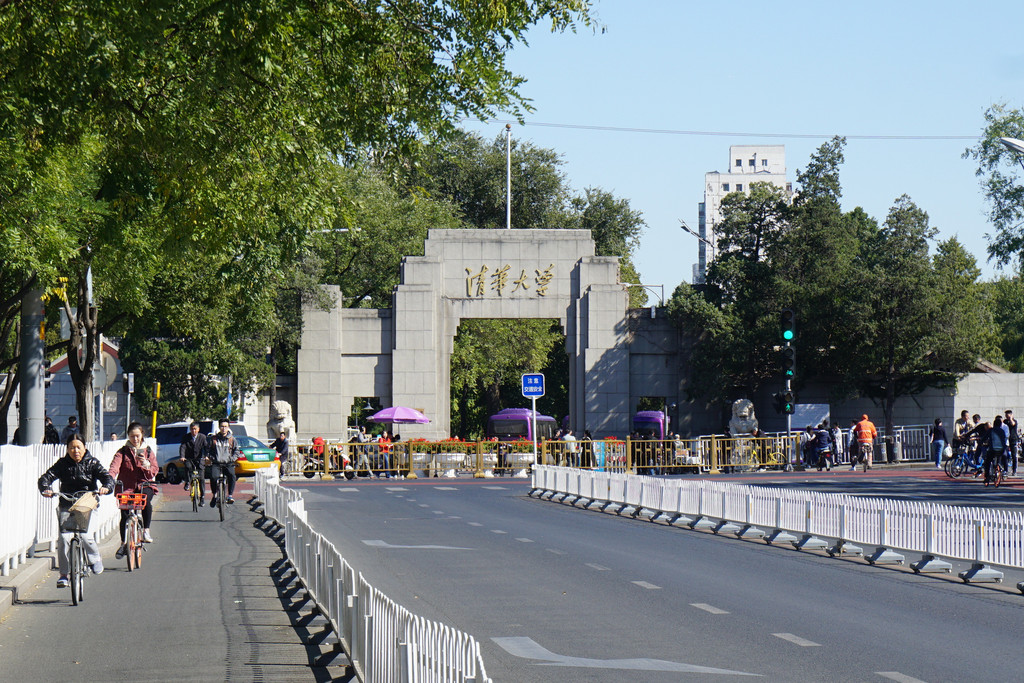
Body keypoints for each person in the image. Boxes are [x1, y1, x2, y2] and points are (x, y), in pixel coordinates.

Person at [38, 434, 114, 587]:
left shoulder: (92, 463)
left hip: (88, 504)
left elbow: (107, 477)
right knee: (64, 539)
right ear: (67, 449)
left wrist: (106, 487)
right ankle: (64, 574)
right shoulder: (62, 464)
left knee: (86, 536)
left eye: (78, 447)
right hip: (67, 503)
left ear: (85, 448)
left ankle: (94, 559)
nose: (75, 450)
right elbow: (46, 477)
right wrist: (46, 488)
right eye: (72, 447)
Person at [108, 422, 159, 552]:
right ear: (128, 437)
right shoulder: (123, 452)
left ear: (142, 435)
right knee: (124, 513)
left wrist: (146, 464)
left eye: (137, 436)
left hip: (145, 484)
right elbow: (114, 466)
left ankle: (146, 531)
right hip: (127, 486)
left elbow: (154, 470)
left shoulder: (148, 451)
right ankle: (123, 543)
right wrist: (110, 478)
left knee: (145, 500)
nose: (135, 439)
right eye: (132, 436)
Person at [206, 418, 241, 505]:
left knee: (232, 476)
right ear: (219, 427)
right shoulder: (213, 439)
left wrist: (232, 459)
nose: (223, 428)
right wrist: (210, 457)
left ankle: (230, 495)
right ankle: (214, 495)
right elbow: (207, 450)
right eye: (222, 426)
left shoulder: (232, 440)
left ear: (228, 427)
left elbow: (237, 451)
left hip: (228, 463)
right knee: (213, 477)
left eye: (225, 426)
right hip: (216, 463)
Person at [179, 421, 209, 505]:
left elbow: (206, 447)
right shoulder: (186, 437)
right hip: (189, 458)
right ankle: (187, 483)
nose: (194, 431)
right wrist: (182, 456)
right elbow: (183, 447)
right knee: (187, 467)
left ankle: (202, 497)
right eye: (192, 429)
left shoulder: (202, 437)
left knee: (201, 478)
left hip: (199, 459)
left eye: (195, 429)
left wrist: (206, 456)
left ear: (198, 429)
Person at [1004, 410, 1018, 477]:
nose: (1007, 417)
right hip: (1006, 440)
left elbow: (1013, 424)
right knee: (1005, 455)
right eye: (1006, 415)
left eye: (1008, 415)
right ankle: (1005, 469)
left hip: (1013, 440)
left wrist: (1011, 419)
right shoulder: (1005, 422)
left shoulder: (1014, 421)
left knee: (1014, 455)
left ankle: (1014, 470)